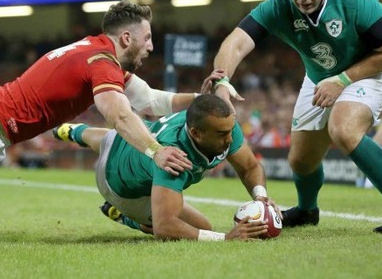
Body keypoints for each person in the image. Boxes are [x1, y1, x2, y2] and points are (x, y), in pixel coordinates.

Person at [0, 0, 222, 236]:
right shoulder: (102, 62)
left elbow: (152, 101)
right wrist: (156, 151)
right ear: (127, 38)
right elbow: (117, 113)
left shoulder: (99, 54)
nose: (151, 47)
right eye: (147, 39)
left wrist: (202, 100)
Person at [211, 0, 382, 233]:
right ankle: (308, 210)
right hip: (320, 75)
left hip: (370, 69)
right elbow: (236, 42)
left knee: (343, 129)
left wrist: (343, 81)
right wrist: (222, 79)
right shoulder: (279, 4)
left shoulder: (354, 0)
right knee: (300, 160)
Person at [54, 94, 280, 241]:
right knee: (202, 227)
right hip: (117, 186)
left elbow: (250, 167)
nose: (230, 139)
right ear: (196, 134)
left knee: (107, 139)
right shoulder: (174, 158)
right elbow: (165, 226)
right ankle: (123, 215)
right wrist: (224, 238)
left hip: (130, 135)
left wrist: (261, 197)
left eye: (231, 130)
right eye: (222, 134)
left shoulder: (217, 122)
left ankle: (74, 131)